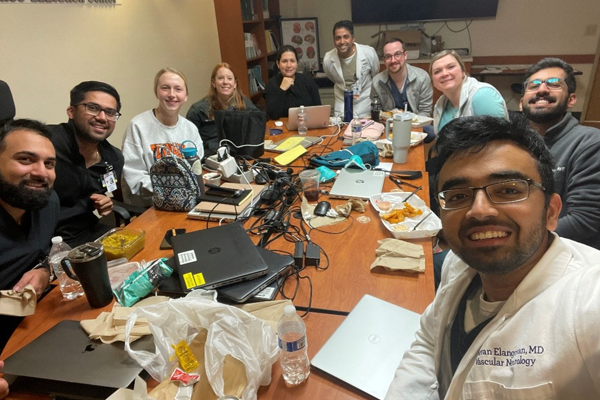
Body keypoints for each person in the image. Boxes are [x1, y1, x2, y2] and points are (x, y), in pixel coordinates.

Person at [385, 116, 600, 399]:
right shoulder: (459, 262)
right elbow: (428, 340)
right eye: (459, 195)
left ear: (551, 212)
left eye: (508, 190)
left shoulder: (587, 304)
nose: (479, 211)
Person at [520, 57, 600, 249]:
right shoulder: (516, 142)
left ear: (571, 100)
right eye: (534, 85)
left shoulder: (590, 143)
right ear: (522, 103)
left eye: (554, 84)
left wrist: (518, 241)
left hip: (567, 253)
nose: (542, 89)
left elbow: (584, 221)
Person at [0, 119, 58, 354]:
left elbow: (45, 255)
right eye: (25, 159)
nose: (41, 172)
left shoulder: (47, 204)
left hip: (33, 326)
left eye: (49, 164)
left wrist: (45, 272)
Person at [48, 81, 124, 247]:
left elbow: (101, 192)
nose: (102, 118)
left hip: (85, 232)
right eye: (93, 108)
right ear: (71, 111)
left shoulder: (114, 158)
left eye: (110, 112)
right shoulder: (45, 142)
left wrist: (104, 203)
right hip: (41, 239)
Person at [122, 67, 203, 207]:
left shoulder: (190, 129)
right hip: (151, 207)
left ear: (186, 96)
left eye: (178, 89)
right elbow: (134, 175)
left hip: (188, 203)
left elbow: (197, 169)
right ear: (156, 93)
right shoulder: (138, 126)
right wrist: (170, 193)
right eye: (165, 88)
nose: (172, 94)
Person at [186, 62, 258, 153]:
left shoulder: (243, 102)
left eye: (229, 78)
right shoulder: (198, 110)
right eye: (220, 78)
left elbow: (258, 123)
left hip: (240, 153)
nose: (225, 82)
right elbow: (190, 144)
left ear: (235, 83)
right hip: (211, 156)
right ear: (213, 83)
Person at [430, 50, 508, 133]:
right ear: (433, 81)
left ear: (463, 72)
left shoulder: (483, 96)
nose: (444, 74)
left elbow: (498, 140)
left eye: (451, 67)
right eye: (437, 71)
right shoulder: (440, 105)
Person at [323, 20, 379, 118]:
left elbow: (375, 74)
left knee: (364, 132)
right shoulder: (328, 59)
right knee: (341, 131)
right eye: (338, 38)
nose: (342, 42)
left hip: (363, 103)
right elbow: (332, 77)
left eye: (346, 37)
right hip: (342, 103)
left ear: (353, 38)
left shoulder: (368, 53)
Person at [371, 38, 433, 117]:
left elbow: (425, 112)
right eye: (388, 56)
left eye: (397, 54)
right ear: (384, 60)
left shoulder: (422, 78)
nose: (393, 60)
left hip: (417, 125)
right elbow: (377, 114)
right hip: (388, 126)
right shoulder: (377, 82)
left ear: (405, 55)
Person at [264, 45, 322, 120]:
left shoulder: (308, 81)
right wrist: (282, 89)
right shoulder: (271, 84)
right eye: (284, 61)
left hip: (307, 126)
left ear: (297, 63)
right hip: (283, 129)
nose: (289, 65)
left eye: (292, 61)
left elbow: (319, 110)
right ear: (278, 64)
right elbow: (273, 115)